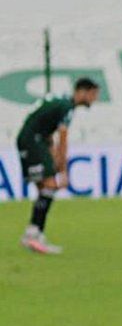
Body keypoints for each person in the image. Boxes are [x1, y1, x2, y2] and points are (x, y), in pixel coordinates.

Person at [15, 77, 101, 254]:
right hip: (32, 141)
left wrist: (54, 157)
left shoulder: (61, 103)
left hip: (34, 140)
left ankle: (34, 233)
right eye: (93, 94)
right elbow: (63, 140)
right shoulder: (66, 108)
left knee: (45, 188)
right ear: (82, 92)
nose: (95, 99)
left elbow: (46, 129)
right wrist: (63, 170)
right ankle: (32, 234)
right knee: (50, 185)